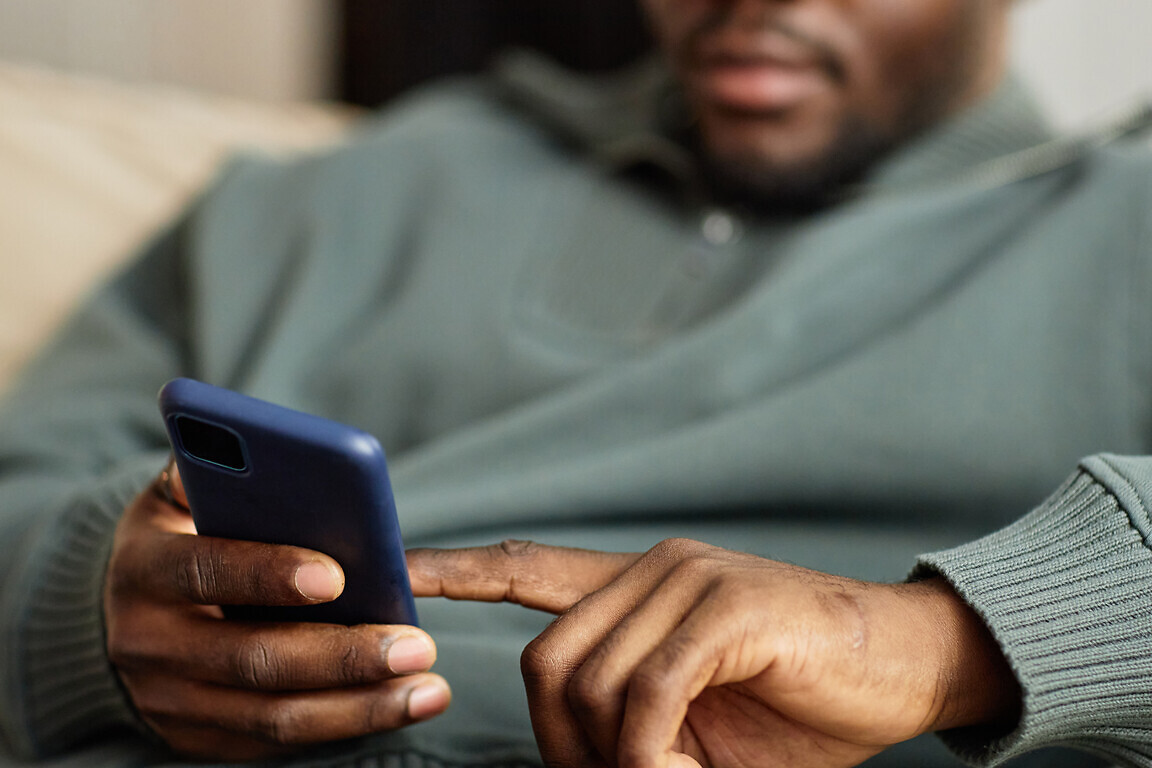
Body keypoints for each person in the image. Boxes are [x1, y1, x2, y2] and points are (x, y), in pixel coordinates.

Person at [1, 0, 1151, 766]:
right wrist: (85, 605)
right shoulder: (353, 186)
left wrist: (941, 641)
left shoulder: (1123, 224)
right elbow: (23, 481)